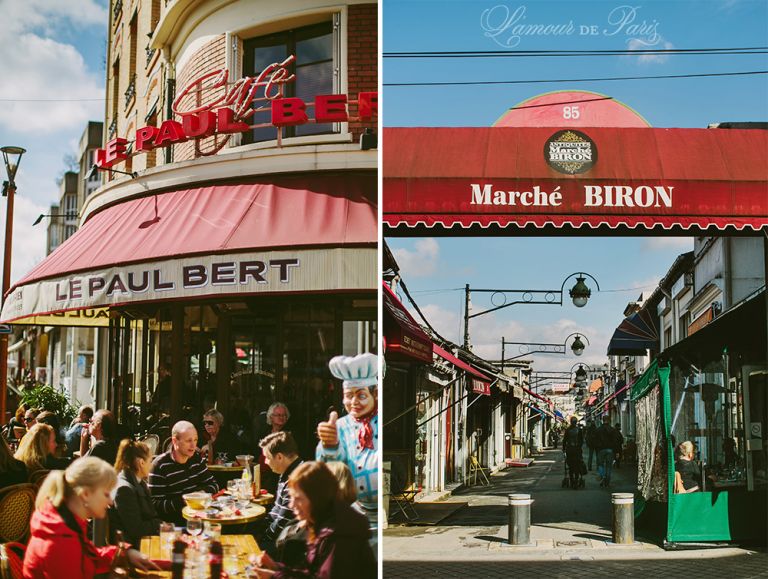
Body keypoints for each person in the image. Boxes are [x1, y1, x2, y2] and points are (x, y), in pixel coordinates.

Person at [23, 457, 160, 578]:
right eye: (106, 494)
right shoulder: (60, 541)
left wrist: (126, 554)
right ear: (86, 494)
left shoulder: (64, 523)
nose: (111, 501)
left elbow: (89, 556)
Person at [252, 461, 376, 579]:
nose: (291, 505)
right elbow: (312, 574)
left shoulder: (337, 535)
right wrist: (275, 567)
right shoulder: (323, 522)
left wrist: (274, 576)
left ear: (316, 498)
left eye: (298, 498)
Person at [316, 353, 378, 529]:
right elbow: (329, 472)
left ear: (376, 394)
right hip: (354, 512)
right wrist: (329, 445)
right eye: (348, 395)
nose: (353, 402)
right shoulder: (341, 426)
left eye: (361, 396)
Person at [148, 420, 218, 525]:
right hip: (174, 525)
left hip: (201, 519)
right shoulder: (160, 465)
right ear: (175, 441)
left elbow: (214, 485)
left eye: (195, 440)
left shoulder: (196, 459)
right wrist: (184, 500)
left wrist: (200, 495)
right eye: (188, 441)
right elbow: (154, 505)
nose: (193, 445)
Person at [110, 439, 162, 548]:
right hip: (135, 547)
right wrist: (160, 524)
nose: (151, 465)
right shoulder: (124, 489)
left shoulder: (137, 482)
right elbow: (136, 529)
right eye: (150, 461)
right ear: (141, 463)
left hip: (144, 541)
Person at [258, 431, 303, 558]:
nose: (266, 462)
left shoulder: (297, 479)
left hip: (292, 544)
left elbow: (283, 522)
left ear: (279, 457)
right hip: (283, 536)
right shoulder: (287, 471)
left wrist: (262, 538)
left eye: (267, 457)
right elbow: (276, 511)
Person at [258, 403, 291, 494]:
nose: (282, 417)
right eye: (278, 415)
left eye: (284, 415)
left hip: (280, 475)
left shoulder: (288, 435)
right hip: (264, 475)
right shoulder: (264, 432)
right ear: (271, 417)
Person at [562, 416, 584, 489]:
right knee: (577, 465)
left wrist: (564, 449)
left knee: (571, 466)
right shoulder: (579, 430)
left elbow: (564, 440)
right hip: (577, 449)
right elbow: (581, 441)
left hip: (570, 450)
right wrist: (579, 447)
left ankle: (572, 481)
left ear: (571, 422)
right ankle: (576, 480)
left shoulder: (568, 430)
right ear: (576, 422)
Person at [595, 416, 616, 488]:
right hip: (610, 449)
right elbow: (615, 441)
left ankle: (602, 476)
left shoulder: (598, 430)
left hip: (600, 450)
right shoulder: (612, 430)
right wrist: (616, 451)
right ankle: (607, 482)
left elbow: (595, 440)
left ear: (602, 420)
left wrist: (597, 449)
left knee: (600, 464)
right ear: (609, 420)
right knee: (609, 466)